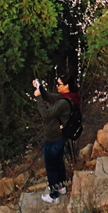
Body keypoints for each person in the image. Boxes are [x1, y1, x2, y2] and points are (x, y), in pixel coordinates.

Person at [34, 72, 81, 204]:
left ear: (67, 86)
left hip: (53, 137)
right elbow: (50, 97)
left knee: (51, 166)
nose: (57, 86)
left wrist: (38, 98)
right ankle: (61, 187)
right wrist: (41, 88)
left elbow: (46, 114)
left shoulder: (63, 103)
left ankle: (54, 195)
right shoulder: (70, 97)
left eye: (59, 84)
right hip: (60, 136)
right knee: (58, 162)